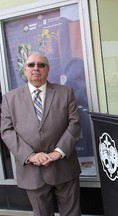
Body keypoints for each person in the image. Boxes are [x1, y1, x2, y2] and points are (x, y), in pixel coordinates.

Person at [1, 53, 82, 216]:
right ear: (25, 70)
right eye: (31, 65)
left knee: (72, 213)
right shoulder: (10, 99)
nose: (36, 68)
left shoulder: (65, 93)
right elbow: (6, 131)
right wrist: (30, 155)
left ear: (48, 69)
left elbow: (75, 124)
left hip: (63, 166)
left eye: (41, 65)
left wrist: (57, 153)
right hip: (32, 170)